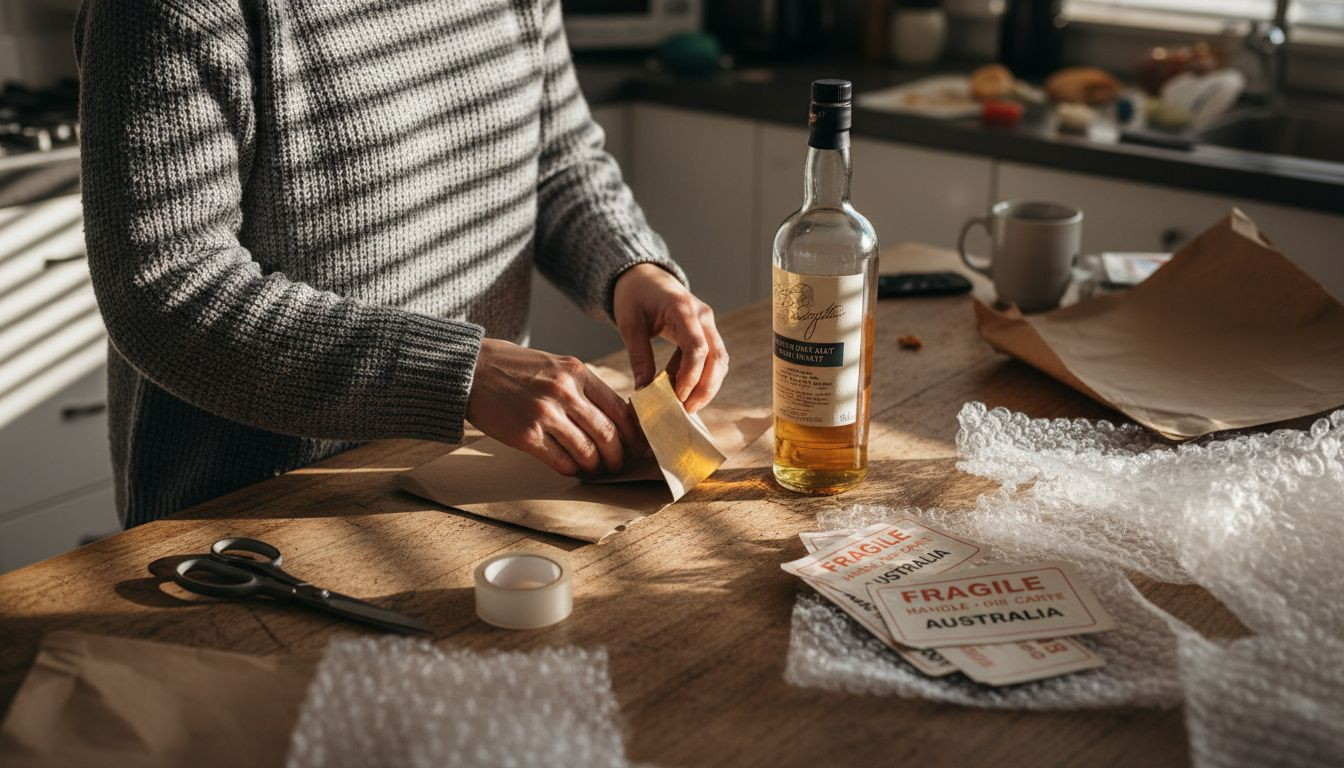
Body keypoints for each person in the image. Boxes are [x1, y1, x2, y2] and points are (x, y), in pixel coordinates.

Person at [75, 0, 728, 528]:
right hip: (254, 519)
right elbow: (167, 283)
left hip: (475, 489)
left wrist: (630, 268)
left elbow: (558, 161)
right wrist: (457, 372)